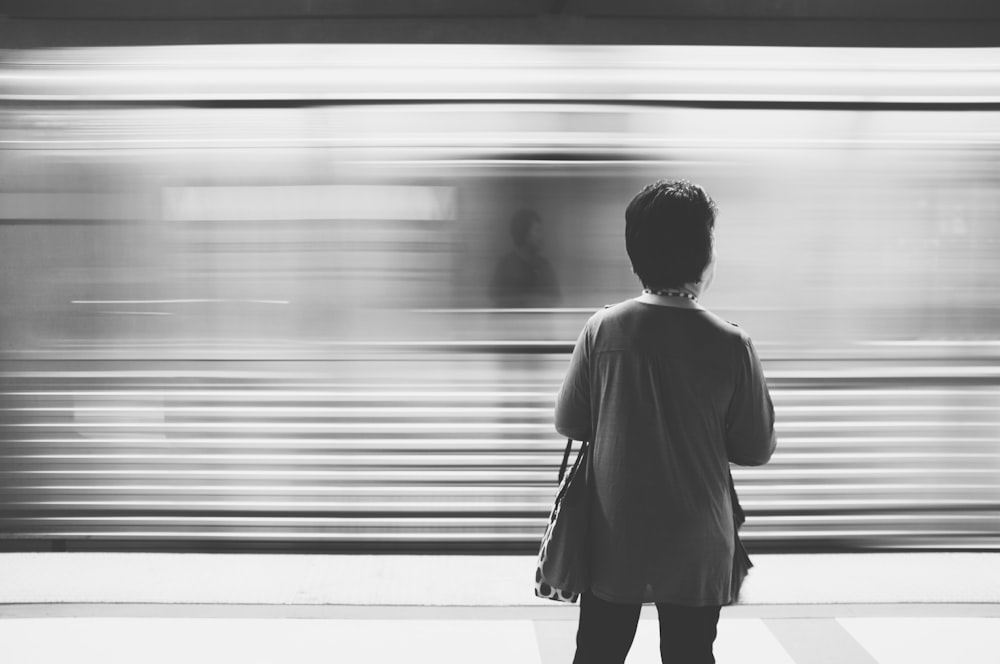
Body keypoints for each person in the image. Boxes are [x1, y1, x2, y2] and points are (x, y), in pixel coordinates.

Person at [555, 179, 776, 664]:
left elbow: (570, 420)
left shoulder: (602, 330)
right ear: (703, 255)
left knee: (598, 652)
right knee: (690, 654)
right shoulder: (731, 344)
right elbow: (754, 447)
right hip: (698, 547)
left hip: (615, 539)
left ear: (637, 254)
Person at [489, 209, 560, 308]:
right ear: (524, 234)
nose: (541, 236)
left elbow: (555, 300)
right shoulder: (506, 267)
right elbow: (496, 299)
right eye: (537, 231)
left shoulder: (545, 267)